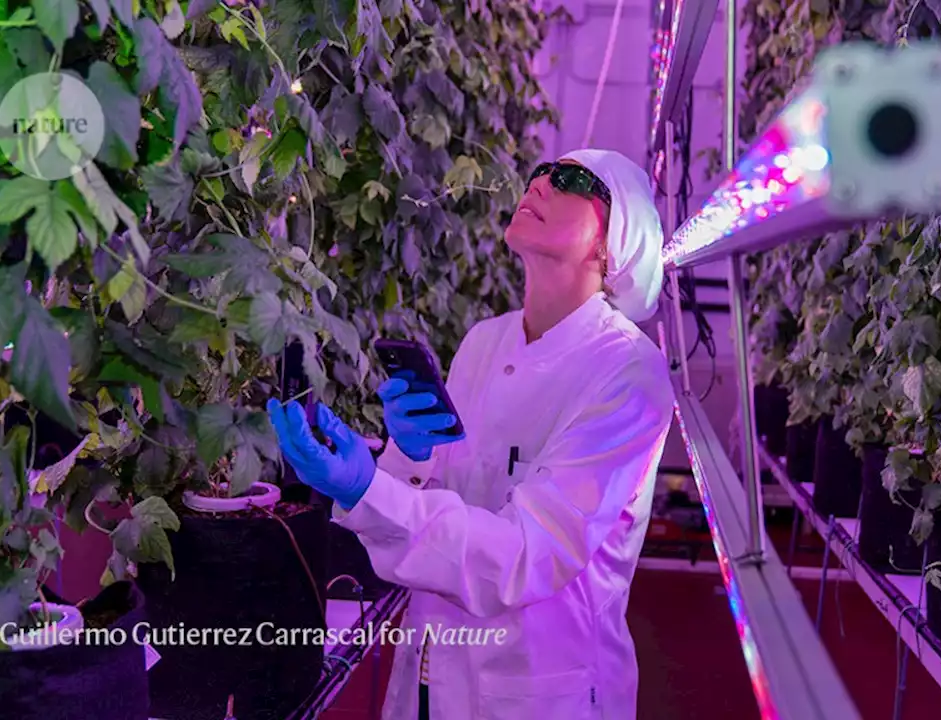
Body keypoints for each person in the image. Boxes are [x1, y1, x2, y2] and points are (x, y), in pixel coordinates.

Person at [267, 149, 676, 720]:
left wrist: (366, 491)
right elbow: (439, 499)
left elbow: (525, 556)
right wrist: (406, 460)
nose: (541, 182)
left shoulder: (628, 373)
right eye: (540, 172)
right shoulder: (486, 341)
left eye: (573, 181)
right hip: (436, 665)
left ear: (613, 243)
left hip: (539, 688)